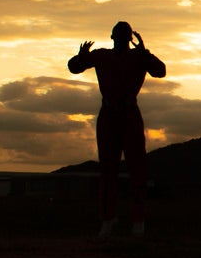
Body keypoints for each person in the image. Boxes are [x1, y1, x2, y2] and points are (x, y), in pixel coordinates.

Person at [67, 21, 166, 238]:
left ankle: (137, 221)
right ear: (112, 37)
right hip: (110, 115)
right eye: (118, 35)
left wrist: (146, 53)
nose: (120, 38)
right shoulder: (102, 56)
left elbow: (161, 71)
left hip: (129, 114)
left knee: (137, 170)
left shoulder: (138, 56)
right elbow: (73, 67)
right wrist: (82, 56)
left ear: (128, 38)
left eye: (123, 35)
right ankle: (108, 220)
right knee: (108, 170)